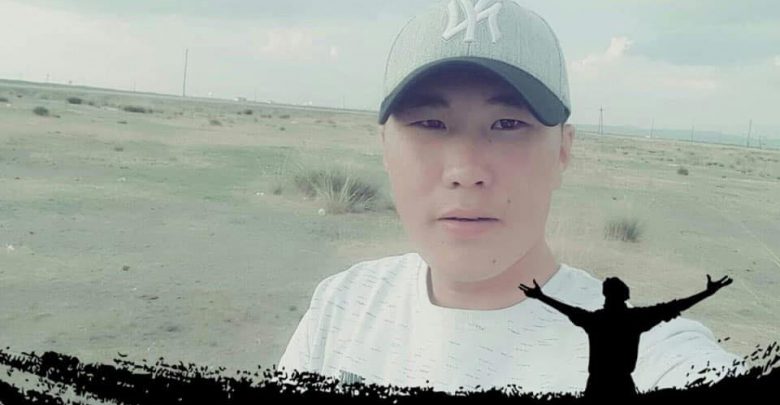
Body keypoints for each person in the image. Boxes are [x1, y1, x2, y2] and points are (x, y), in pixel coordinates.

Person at [278, 0, 743, 395]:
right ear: (384, 148)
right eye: (430, 124)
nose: (465, 172)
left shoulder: (659, 358)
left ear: (563, 150)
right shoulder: (344, 306)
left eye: (508, 124)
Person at [519, 275, 734, 399]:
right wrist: (707, 293)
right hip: (622, 386)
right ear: (625, 296)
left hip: (597, 387)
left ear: (605, 295)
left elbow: (567, 310)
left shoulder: (595, 320)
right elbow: (675, 306)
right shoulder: (635, 319)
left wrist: (541, 296)